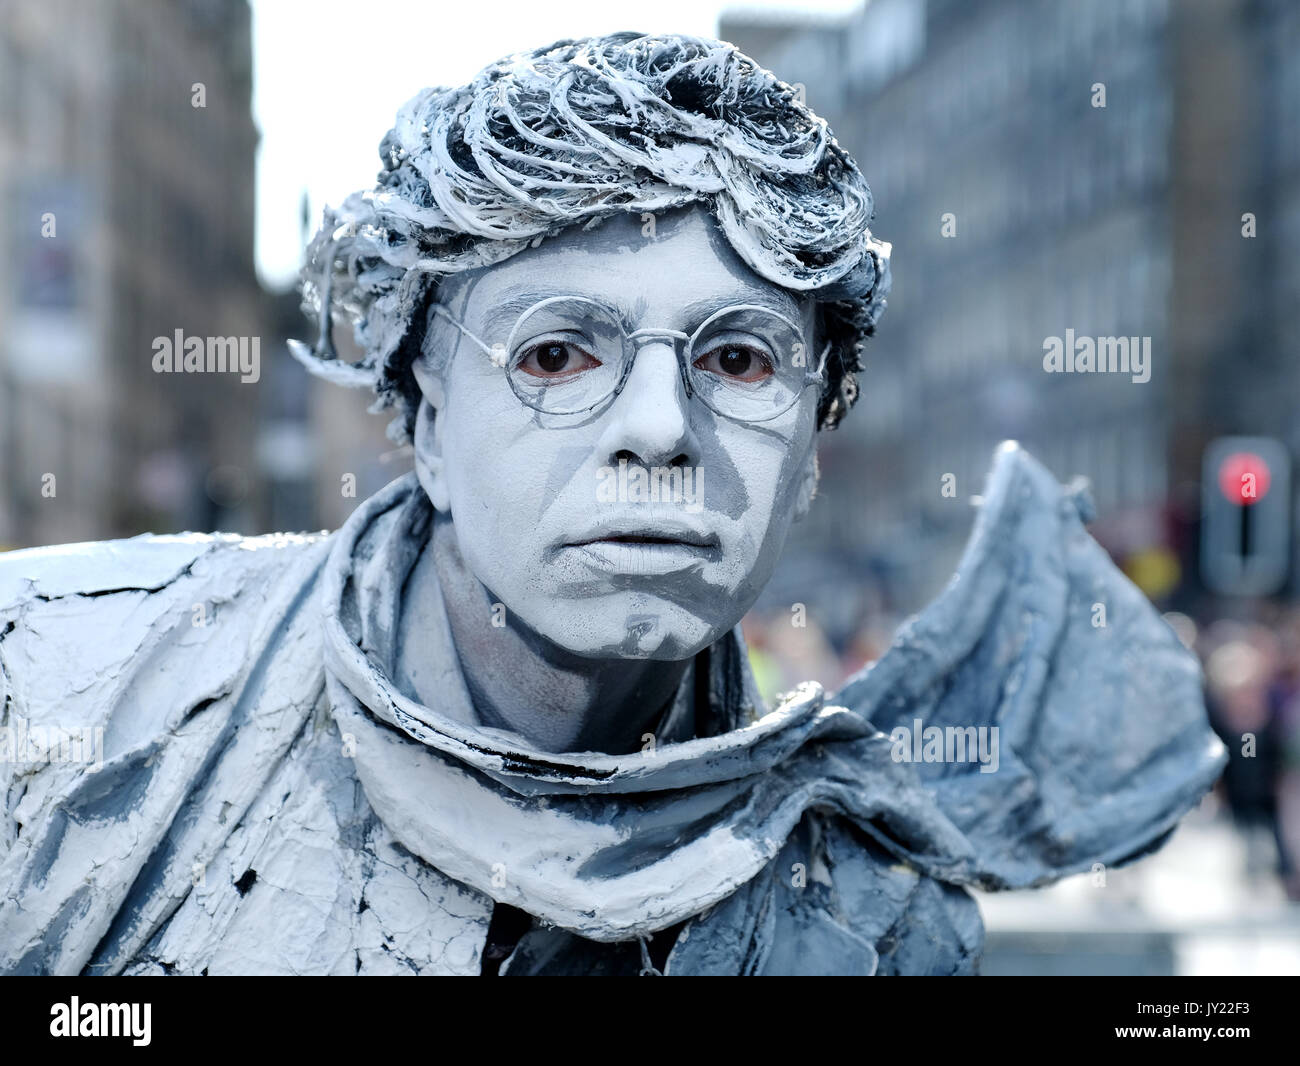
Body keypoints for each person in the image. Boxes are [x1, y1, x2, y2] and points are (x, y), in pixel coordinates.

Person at [0, 32, 1225, 976]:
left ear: (809, 453)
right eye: (554, 355)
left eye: (739, 359)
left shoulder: (867, 917)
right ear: (425, 422)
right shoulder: (62, 704)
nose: (657, 428)